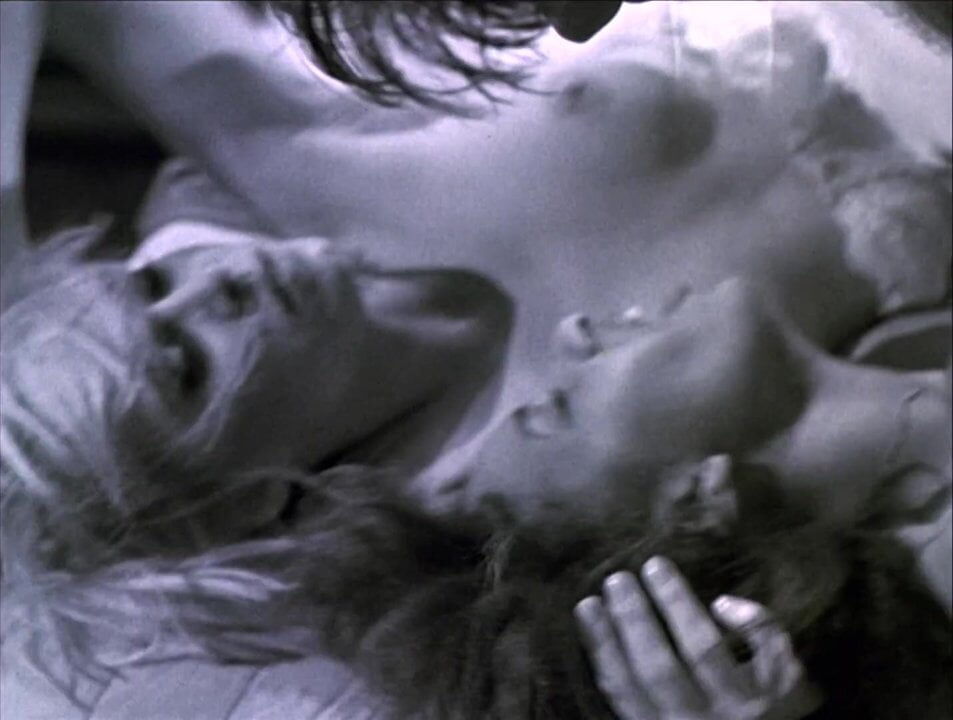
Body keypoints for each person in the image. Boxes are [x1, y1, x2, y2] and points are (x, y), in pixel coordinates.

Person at [2, 226, 949, 715]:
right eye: (187, 370)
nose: (569, 333)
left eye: (150, 279)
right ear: (693, 506)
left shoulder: (904, 345)